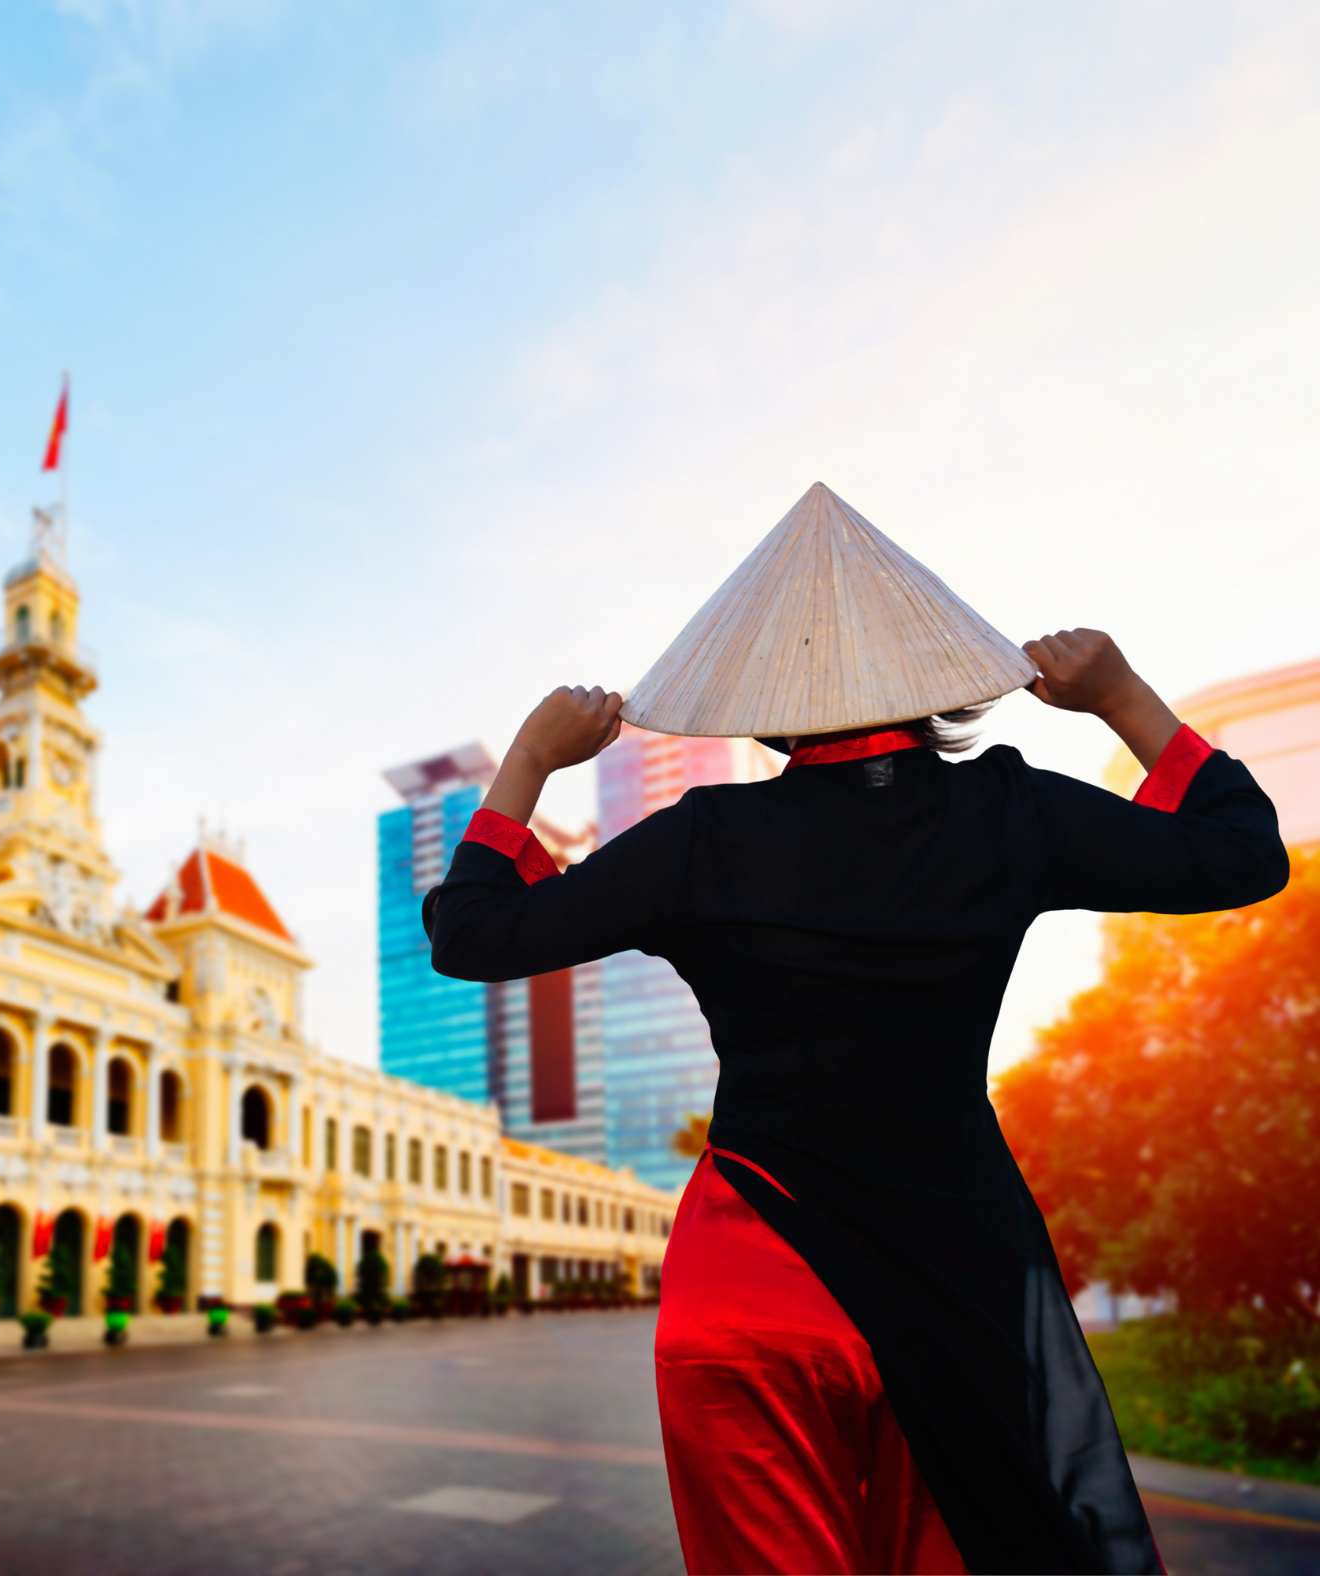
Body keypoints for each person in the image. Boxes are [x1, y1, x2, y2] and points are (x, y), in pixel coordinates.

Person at [423, 485, 1286, 1575]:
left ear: (764, 696)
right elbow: (1243, 851)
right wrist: (1119, 695)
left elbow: (470, 932)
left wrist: (530, 761)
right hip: (952, 1282)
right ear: (926, 675)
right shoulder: (1009, 811)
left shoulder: (705, 839)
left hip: (752, 1280)